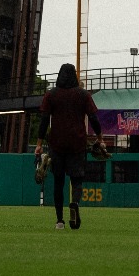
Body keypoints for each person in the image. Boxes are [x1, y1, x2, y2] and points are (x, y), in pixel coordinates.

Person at [35, 63, 103, 230]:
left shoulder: (51, 95)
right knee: (77, 179)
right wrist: (100, 137)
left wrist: (38, 144)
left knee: (58, 182)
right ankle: (75, 203)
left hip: (56, 143)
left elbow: (44, 120)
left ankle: (59, 221)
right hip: (77, 143)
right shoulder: (83, 95)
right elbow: (93, 118)